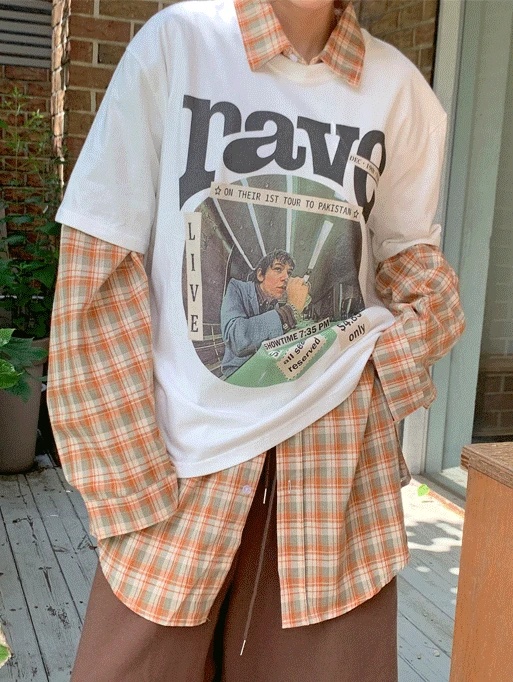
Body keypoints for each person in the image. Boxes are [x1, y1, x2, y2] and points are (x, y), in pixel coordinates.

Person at [47, 0, 465, 680]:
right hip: (184, 465)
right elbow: (101, 267)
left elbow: (408, 260)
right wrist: (128, 484)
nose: (281, 277)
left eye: (286, 272)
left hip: (335, 468)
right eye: (274, 270)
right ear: (260, 271)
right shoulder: (180, 45)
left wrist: (381, 361)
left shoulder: (399, 90)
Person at [220, 249, 310, 377]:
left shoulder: (274, 305)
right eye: (278, 269)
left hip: (262, 370)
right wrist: (289, 310)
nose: (286, 278)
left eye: (289, 273)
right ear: (260, 275)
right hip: (237, 373)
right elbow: (236, 338)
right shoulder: (237, 288)